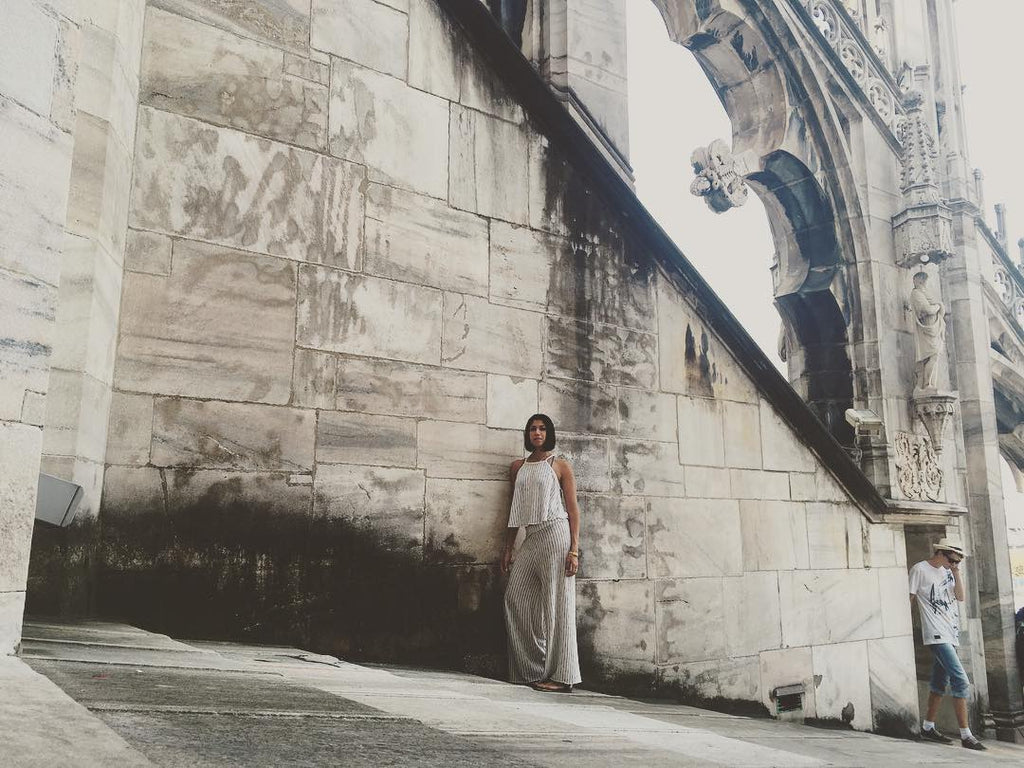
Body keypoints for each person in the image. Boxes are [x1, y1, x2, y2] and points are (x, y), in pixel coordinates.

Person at [501, 414, 582, 693]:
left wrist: (574, 550)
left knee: (558, 604)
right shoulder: (517, 467)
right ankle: (533, 669)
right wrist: (508, 547)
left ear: (549, 433)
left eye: (543, 428)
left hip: (556, 534)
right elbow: (513, 510)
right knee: (515, 598)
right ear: (527, 434)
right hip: (532, 537)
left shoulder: (559, 465)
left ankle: (563, 677)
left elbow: (573, 511)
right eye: (533, 429)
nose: (537, 433)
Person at [908, 537, 986, 751]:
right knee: (960, 680)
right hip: (936, 634)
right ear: (942, 553)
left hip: (950, 633)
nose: (955, 564)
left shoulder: (949, 572)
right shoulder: (920, 570)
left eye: (958, 562)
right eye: (953, 560)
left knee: (938, 681)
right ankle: (966, 735)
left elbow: (959, 597)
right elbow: (910, 598)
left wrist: (956, 572)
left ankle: (928, 726)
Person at [910, 271, 946, 391]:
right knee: (933, 355)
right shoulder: (916, 293)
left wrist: (938, 306)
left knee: (934, 356)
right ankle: (926, 385)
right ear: (919, 281)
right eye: (924, 281)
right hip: (927, 329)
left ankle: (929, 383)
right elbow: (928, 310)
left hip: (934, 327)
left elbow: (936, 308)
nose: (926, 283)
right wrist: (938, 306)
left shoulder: (924, 293)